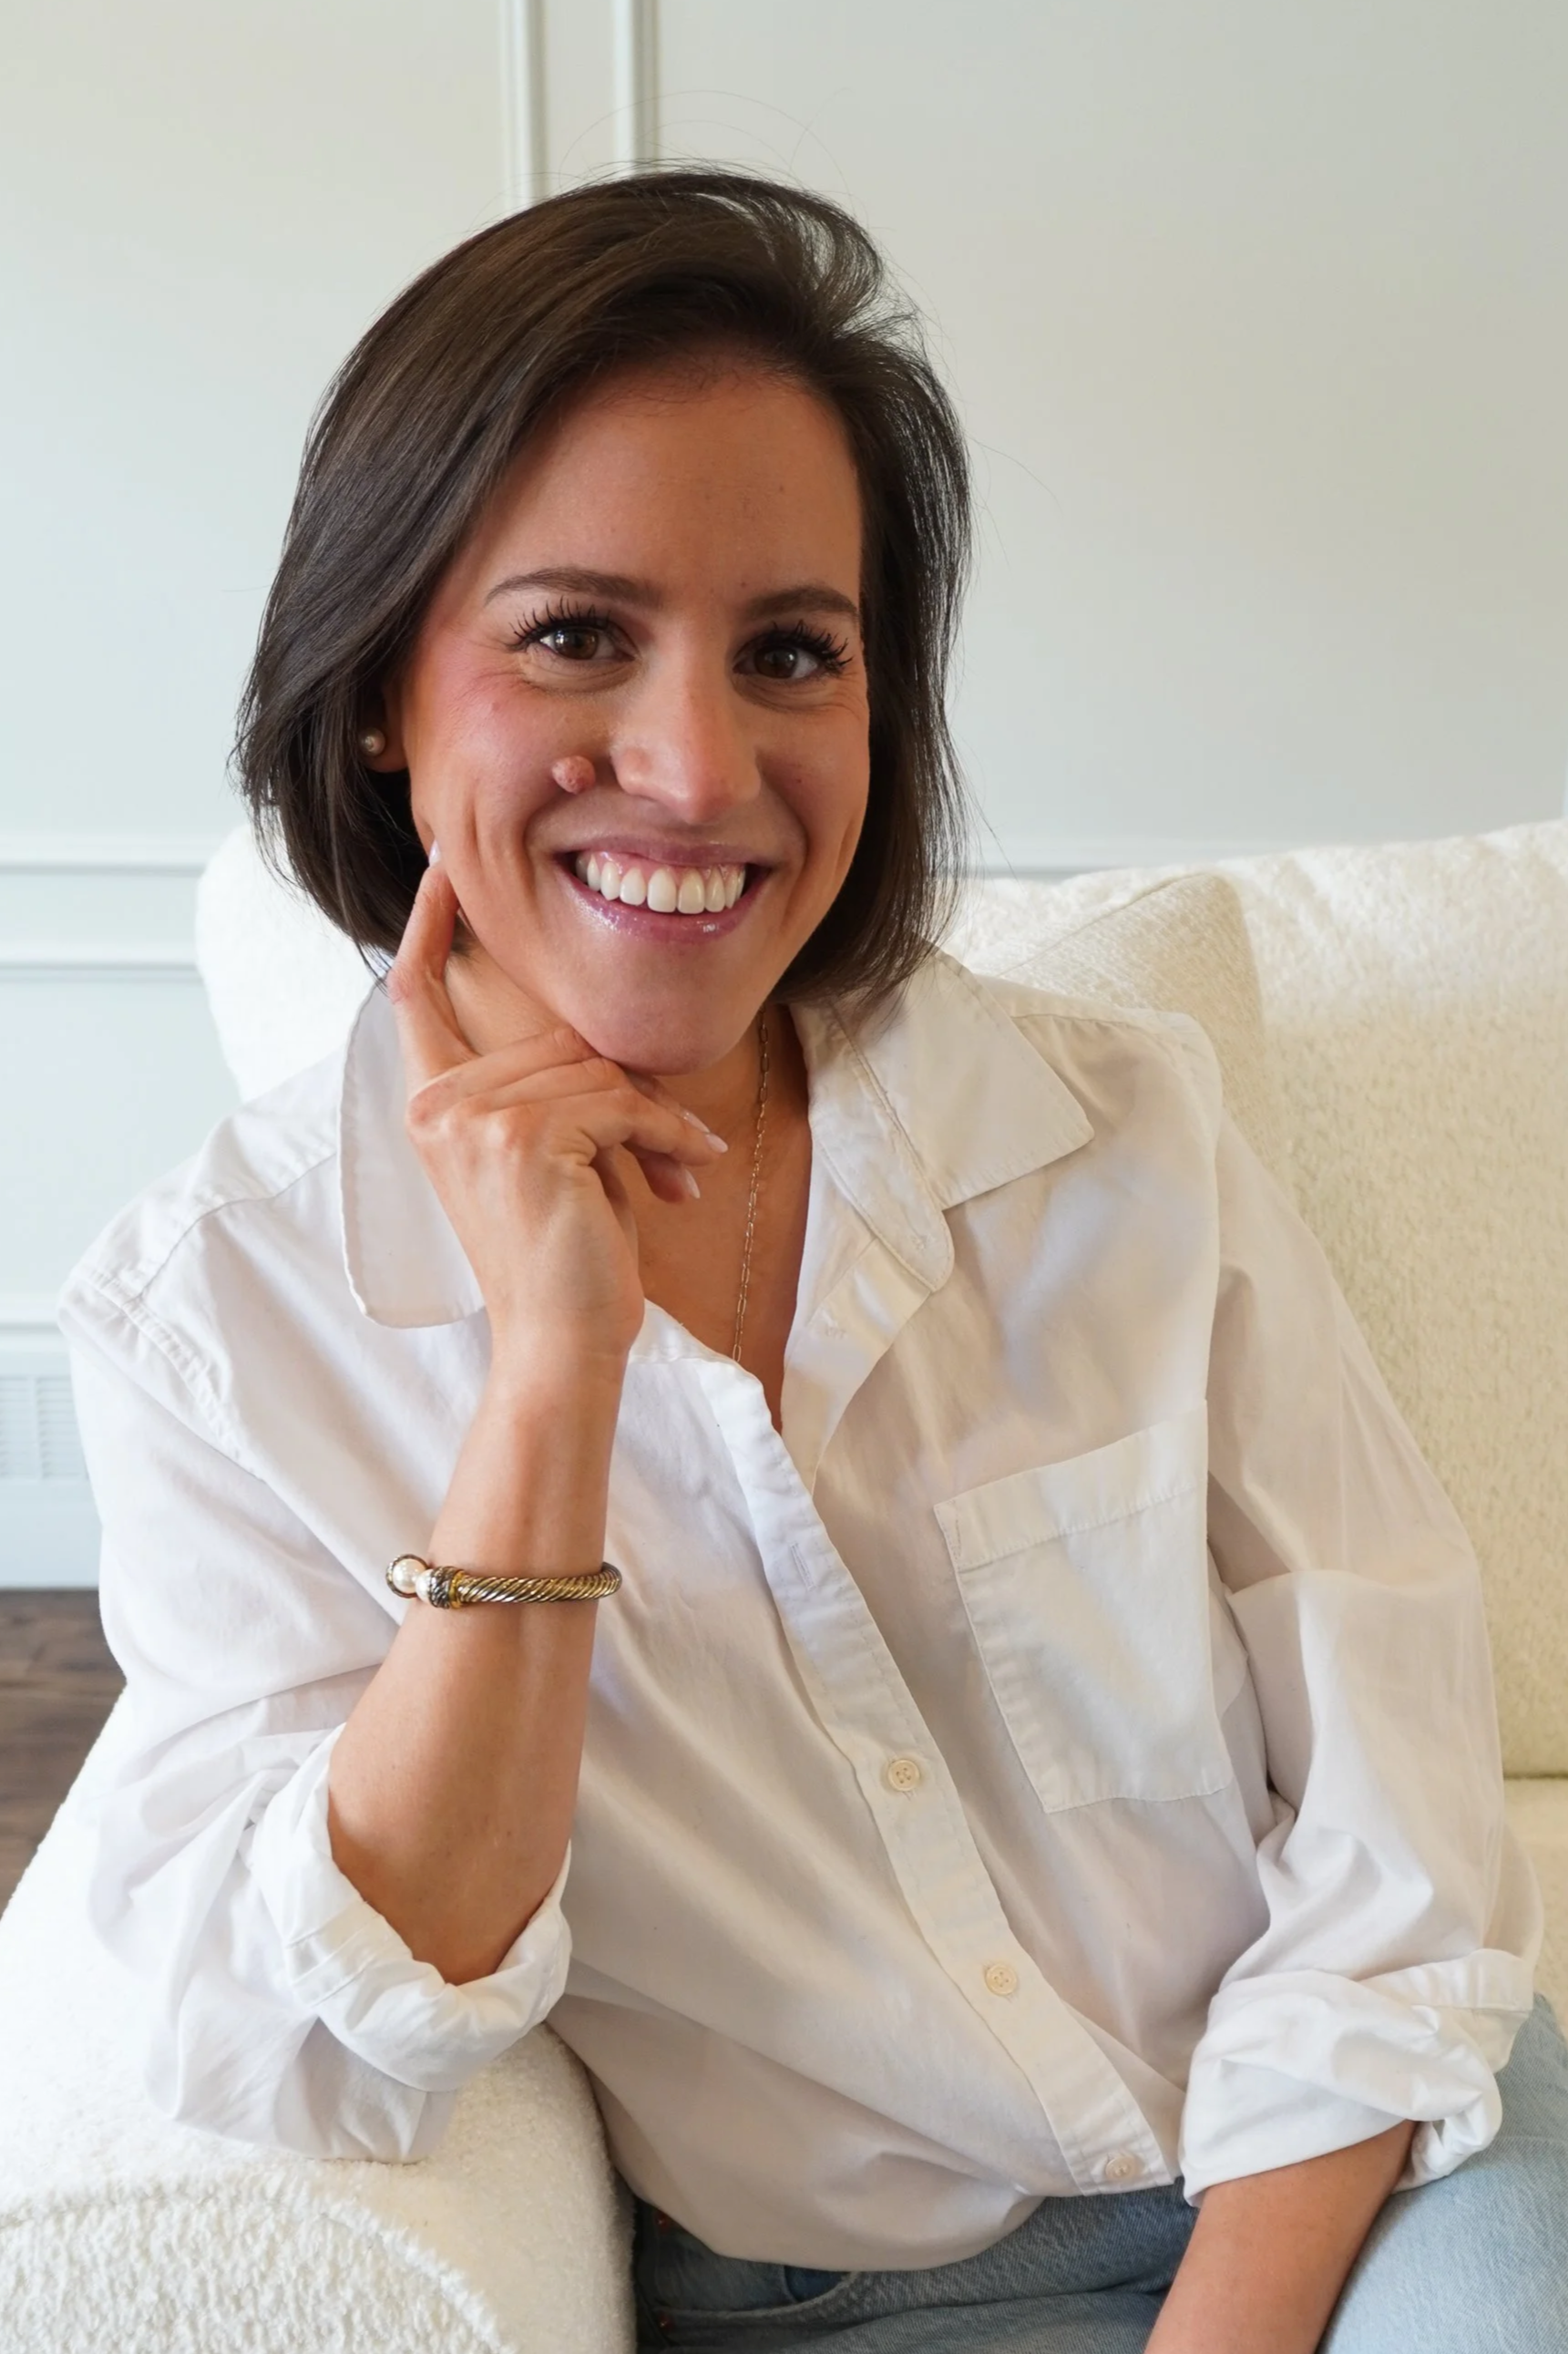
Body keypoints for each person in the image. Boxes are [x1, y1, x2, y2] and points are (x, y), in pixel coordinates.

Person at [62, 170, 1563, 2353]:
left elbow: (1394, 1809)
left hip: (1364, 2171)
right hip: (845, 2298)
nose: (697, 770)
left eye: (789, 652)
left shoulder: (1117, 1131)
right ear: (381, 687)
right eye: (574, 634)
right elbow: (320, 2034)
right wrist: (551, 1375)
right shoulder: (221, 1323)